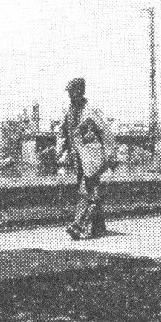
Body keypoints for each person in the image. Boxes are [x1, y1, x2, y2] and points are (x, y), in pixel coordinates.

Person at [57, 77, 117, 240]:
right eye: (69, 93)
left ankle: (78, 225)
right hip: (79, 160)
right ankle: (97, 226)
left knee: (85, 190)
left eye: (72, 93)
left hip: (93, 158)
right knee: (92, 192)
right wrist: (60, 150)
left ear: (80, 92)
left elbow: (106, 132)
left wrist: (110, 156)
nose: (70, 96)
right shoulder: (69, 112)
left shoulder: (91, 111)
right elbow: (63, 132)